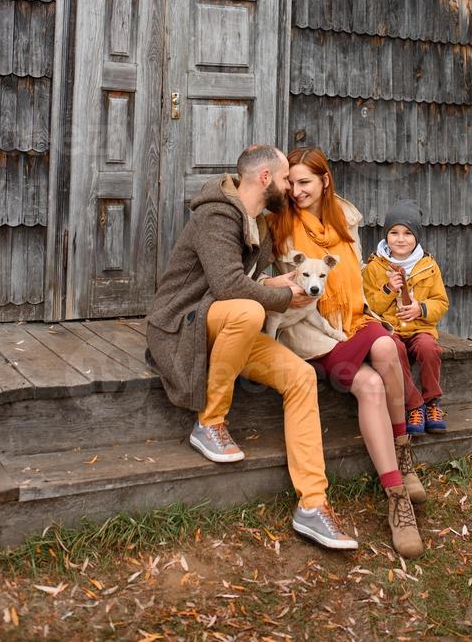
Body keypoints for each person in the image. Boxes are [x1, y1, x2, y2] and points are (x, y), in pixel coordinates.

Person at [146, 145, 358, 551]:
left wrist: (287, 284)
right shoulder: (215, 214)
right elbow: (229, 288)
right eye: (284, 180)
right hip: (185, 324)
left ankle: (313, 505)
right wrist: (281, 297)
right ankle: (210, 422)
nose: (290, 189)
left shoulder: (258, 225)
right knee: (246, 310)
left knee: (300, 376)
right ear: (265, 179)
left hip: (229, 328)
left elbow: (252, 284)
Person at [269, 147, 425, 559]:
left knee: (387, 344)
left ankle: (401, 460)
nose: (297, 190)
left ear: (324, 181)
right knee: (371, 382)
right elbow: (265, 282)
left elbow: (356, 282)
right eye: (292, 183)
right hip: (313, 332)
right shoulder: (280, 225)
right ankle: (397, 493)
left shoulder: (345, 220)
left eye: (305, 182)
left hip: (352, 321)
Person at [362, 199, 450, 435]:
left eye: (408, 234)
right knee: (395, 351)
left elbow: (441, 302)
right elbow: (370, 306)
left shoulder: (428, 266)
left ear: (417, 237)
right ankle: (414, 405)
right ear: (386, 235)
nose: (400, 239)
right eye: (394, 233)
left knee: (429, 348)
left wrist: (421, 308)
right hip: (391, 329)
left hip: (421, 328)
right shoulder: (375, 268)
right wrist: (389, 289)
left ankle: (433, 402)